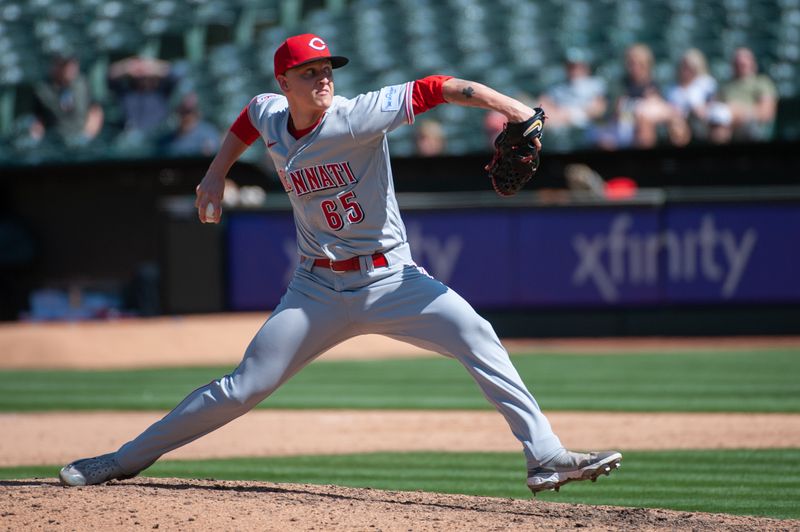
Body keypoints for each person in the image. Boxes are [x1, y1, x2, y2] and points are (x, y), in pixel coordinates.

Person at [58, 33, 621, 495]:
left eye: (327, 67)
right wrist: (214, 173)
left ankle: (545, 456)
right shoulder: (273, 113)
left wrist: (517, 110)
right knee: (241, 388)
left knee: (478, 334)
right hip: (316, 289)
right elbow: (247, 120)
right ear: (285, 83)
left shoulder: (357, 116)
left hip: (393, 278)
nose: (323, 76)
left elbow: (437, 87)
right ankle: (123, 459)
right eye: (309, 71)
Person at [600, 43, 682, 149]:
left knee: (677, 126)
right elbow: (612, 112)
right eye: (631, 63)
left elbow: (671, 109)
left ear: (648, 64)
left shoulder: (657, 84)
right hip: (622, 128)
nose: (635, 67)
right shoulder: (619, 85)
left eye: (640, 63)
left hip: (655, 126)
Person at [29, 54, 104, 148]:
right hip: (55, 140)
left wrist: (87, 135)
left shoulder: (83, 83)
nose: (70, 69)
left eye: (73, 65)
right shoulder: (43, 89)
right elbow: (37, 120)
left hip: (82, 137)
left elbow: (96, 111)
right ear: (56, 66)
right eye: (65, 65)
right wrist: (36, 136)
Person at [536, 49, 607, 148]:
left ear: (585, 66)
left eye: (577, 66)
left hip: (586, 128)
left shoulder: (595, 84)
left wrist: (570, 114)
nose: (573, 69)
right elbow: (542, 105)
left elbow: (598, 109)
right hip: (560, 128)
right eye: (570, 66)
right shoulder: (558, 87)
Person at [707, 47, 778, 144]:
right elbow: (714, 107)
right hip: (725, 123)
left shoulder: (762, 82)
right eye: (737, 64)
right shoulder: (725, 86)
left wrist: (740, 111)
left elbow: (767, 112)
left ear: (752, 64)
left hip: (751, 124)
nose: (740, 66)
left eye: (743, 64)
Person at [108, 56, 178, 135]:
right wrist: (127, 67)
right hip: (131, 137)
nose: (143, 78)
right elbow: (109, 75)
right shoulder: (127, 93)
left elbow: (175, 73)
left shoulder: (161, 92)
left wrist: (151, 67)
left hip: (159, 138)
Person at [665, 48, 717, 145]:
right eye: (683, 66)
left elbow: (712, 102)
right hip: (680, 119)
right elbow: (669, 107)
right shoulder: (672, 88)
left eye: (689, 67)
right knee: (677, 126)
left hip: (701, 118)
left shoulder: (706, 83)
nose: (686, 70)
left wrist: (702, 109)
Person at [157, 92, 221, 157]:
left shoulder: (209, 134)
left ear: (198, 112)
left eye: (189, 111)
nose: (185, 116)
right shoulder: (167, 139)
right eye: (182, 110)